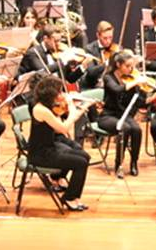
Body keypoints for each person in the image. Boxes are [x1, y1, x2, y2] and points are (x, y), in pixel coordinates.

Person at [28, 74, 91, 211]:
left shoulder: (48, 106)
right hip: (41, 154)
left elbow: (60, 126)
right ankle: (69, 198)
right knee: (80, 163)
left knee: (85, 156)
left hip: (50, 147)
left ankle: (72, 196)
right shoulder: (41, 109)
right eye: (59, 91)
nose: (62, 94)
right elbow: (63, 129)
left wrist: (74, 108)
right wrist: (72, 108)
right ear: (51, 94)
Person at [100, 51, 153, 177]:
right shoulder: (108, 77)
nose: (131, 69)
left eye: (132, 66)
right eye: (128, 66)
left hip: (124, 115)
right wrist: (135, 82)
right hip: (108, 115)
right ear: (118, 64)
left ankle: (134, 162)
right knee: (125, 128)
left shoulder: (131, 79)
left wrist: (153, 94)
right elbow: (116, 90)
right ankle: (118, 164)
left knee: (136, 130)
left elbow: (140, 102)